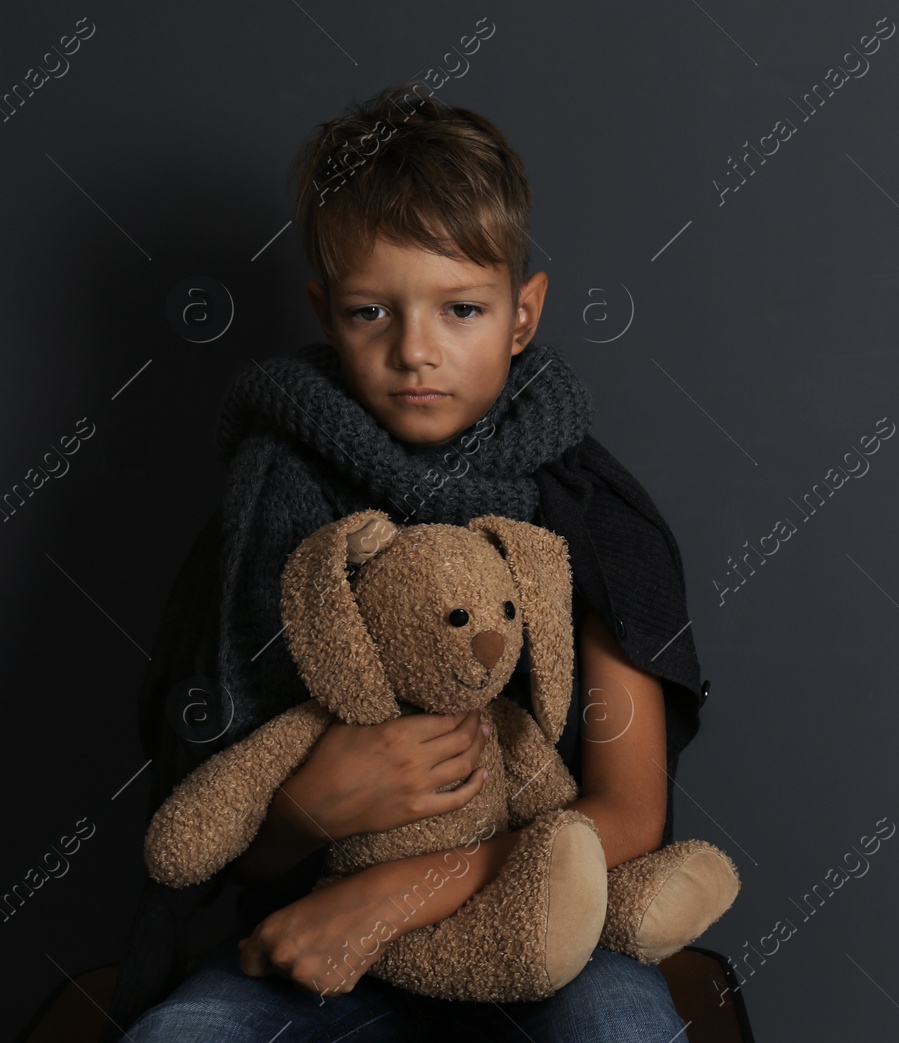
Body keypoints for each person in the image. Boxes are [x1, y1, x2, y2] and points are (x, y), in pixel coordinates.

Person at [104, 82, 711, 1042]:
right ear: (324, 311)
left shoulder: (590, 515)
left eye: (462, 309)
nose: (416, 350)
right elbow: (217, 836)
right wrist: (307, 809)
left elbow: (631, 815)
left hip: (540, 934)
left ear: (523, 314)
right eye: (371, 312)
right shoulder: (269, 502)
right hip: (312, 937)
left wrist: (396, 889)